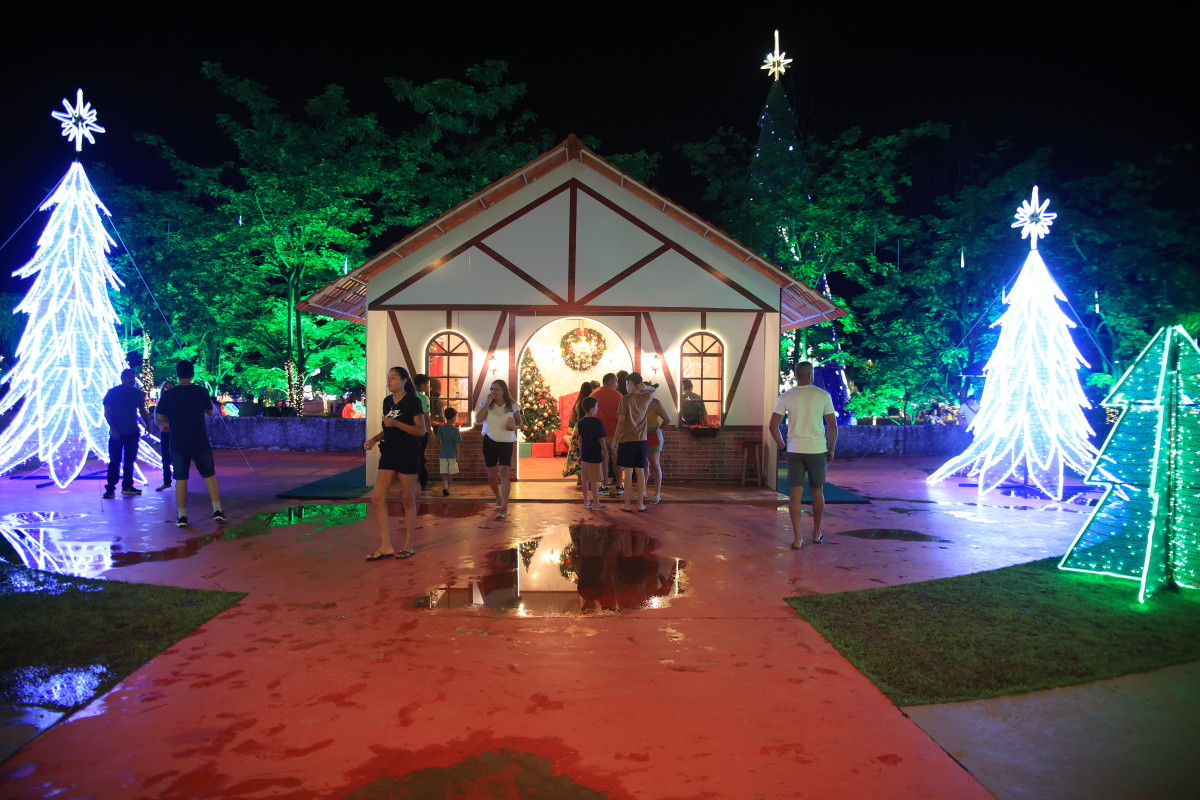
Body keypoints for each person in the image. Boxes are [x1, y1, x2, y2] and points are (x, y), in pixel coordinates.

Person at [769, 361, 837, 548]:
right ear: (810, 375)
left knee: (795, 494)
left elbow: (773, 426)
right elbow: (832, 426)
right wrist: (831, 448)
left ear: (795, 375)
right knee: (817, 492)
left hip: (795, 450)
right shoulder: (822, 395)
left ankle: (798, 538)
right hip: (817, 449)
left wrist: (783, 447)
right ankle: (816, 533)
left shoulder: (786, 396)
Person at [363, 366, 426, 560]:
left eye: (393, 377)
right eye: (388, 377)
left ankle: (409, 545)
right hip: (389, 452)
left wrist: (397, 423)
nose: (389, 381)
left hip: (408, 453)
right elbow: (388, 428)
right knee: (377, 497)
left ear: (404, 381)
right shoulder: (387, 402)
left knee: (407, 498)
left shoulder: (413, 401)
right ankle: (385, 546)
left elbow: (421, 431)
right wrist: (374, 439)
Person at [154, 360, 224, 528]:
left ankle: (182, 516)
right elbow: (210, 411)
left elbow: (159, 418)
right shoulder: (201, 391)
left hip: (178, 442)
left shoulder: (169, 394)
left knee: (181, 479)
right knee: (209, 475)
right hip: (199, 440)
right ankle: (217, 511)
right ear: (192, 374)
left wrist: (172, 423)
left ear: (177, 374)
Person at [613, 373, 669, 513]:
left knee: (629, 472)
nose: (626, 386)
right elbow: (653, 389)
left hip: (627, 440)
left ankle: (627, 504)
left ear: (630, 383)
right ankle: (640, 504)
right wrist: (645, 388)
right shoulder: (646, 398)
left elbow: (621, 422)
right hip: (642, 440)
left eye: (627, 383)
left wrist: (615, 439)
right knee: (640, 471)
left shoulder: (625, 399)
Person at [475, 379, 522, 520]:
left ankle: (504, 506)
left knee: (504, 473)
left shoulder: (512, 405)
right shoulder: (487, 403)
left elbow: (519, 422)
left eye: (496, 389)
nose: (493, 391)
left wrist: (515, 426)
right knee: (491, 475)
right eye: (492, 389)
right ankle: (498, 497)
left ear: (503, 390)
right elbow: (478, 419)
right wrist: (487, 403)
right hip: (490, 440)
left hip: (506, 442)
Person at [102, 368, 147, 499]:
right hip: (117, 432)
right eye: (128, 377)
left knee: (129, 460)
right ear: (122, 378)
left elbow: (142, 410)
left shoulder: (137, 393)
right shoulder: (113, 392)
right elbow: (107, 413)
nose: (131, 379)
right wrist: (114, 430)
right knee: (115, 460)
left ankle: (127, 486)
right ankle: (110, 488)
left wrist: (147, 424)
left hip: (132, 431)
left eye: (133, 377)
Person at [591, 373, 623, 496]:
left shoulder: (593, 395)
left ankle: (604, 486)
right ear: (610, 381)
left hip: (599, 433)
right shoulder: (618, 395)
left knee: (604, 460)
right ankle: (619, 485)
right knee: (617, 461)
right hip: (615, 432)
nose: (617, 384)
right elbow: (622, 415)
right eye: (616, 381)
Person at [577, 396, 609, 510]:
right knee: (594, 480)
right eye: (596, 406)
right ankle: (596, 503)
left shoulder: (580, 422)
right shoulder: (597, 422)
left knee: (585, 480)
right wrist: (605, 451)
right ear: (591, 409)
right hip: (594, 454)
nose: (597, 409)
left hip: (585, 454)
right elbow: (601, 439)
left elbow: (580, 440)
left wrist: (580, 454)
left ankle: (586, 502)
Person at [562, 381, 593, 481]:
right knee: (589, 452)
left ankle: (580, 478)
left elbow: (573, 419)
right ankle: (589, 477)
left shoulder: (578, 403)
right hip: (589, 428)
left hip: (578, 428)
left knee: (577, 453)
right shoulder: (590, 403)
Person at [645, 395, 669, 504]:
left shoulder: (655, 403)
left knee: (654, 464)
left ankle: (657, 494)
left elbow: (667, 419)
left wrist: (659, 429)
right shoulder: (637, 401)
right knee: (643, 464)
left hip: (653, 435)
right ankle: (643, 491)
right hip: (641, 435)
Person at [436, 406, 462, 496]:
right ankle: (448, 487)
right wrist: (458, 455)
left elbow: (439, 440)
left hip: (443, 453)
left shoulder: (441, 428)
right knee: (451, 471)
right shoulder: (456, 430)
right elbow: (457, 444)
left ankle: (444, 485)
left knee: (443, 470)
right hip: (452, 454)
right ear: (454, 417)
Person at [155, 380, 176, 491]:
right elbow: (157, 421)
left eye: (170, 388)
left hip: (176, 433)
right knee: (166, 459)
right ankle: (167, 482)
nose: (167, 390)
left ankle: (179, 481)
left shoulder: (178, 403)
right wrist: (171, 425)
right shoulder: (160, 404)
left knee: (177, 457)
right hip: (166, 433)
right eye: (165, 388)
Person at [414, 374, 432, 491]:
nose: (428, 386)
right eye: (427, 384)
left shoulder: (408, 396)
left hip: (409, 432)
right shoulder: (423, 398)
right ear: (422, 385)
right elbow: (426, 418)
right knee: (420, 457)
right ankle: (424, 482)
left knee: (412, 456)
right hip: (421, 432)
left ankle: (407, 482)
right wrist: (430, 432)